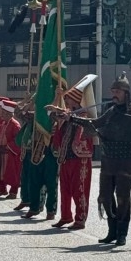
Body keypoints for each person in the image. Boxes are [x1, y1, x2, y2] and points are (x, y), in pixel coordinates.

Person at [66, 72, 131, 246]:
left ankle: (122, 233)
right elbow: (95, 124)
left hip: (126, 160)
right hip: (108, 159)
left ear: (126, 93)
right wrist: (72, 118)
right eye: (113, 91)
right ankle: (112, 231)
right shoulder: (111, 111)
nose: (114, 94)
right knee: (105, 197)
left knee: (122, 198)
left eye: (118, 91)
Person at [48, 75, 96, 230]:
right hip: (66, 158)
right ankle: (65, 216)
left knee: (80, 189)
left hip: (79, 158)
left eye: (68, 99)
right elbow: (54, 118)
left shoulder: (84, 117)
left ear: (76, 102)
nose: (66, 102)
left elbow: (85, 134)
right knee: (65, 189)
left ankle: (80, 218)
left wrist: (68, 116)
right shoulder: (67, 115)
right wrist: (57, 102)